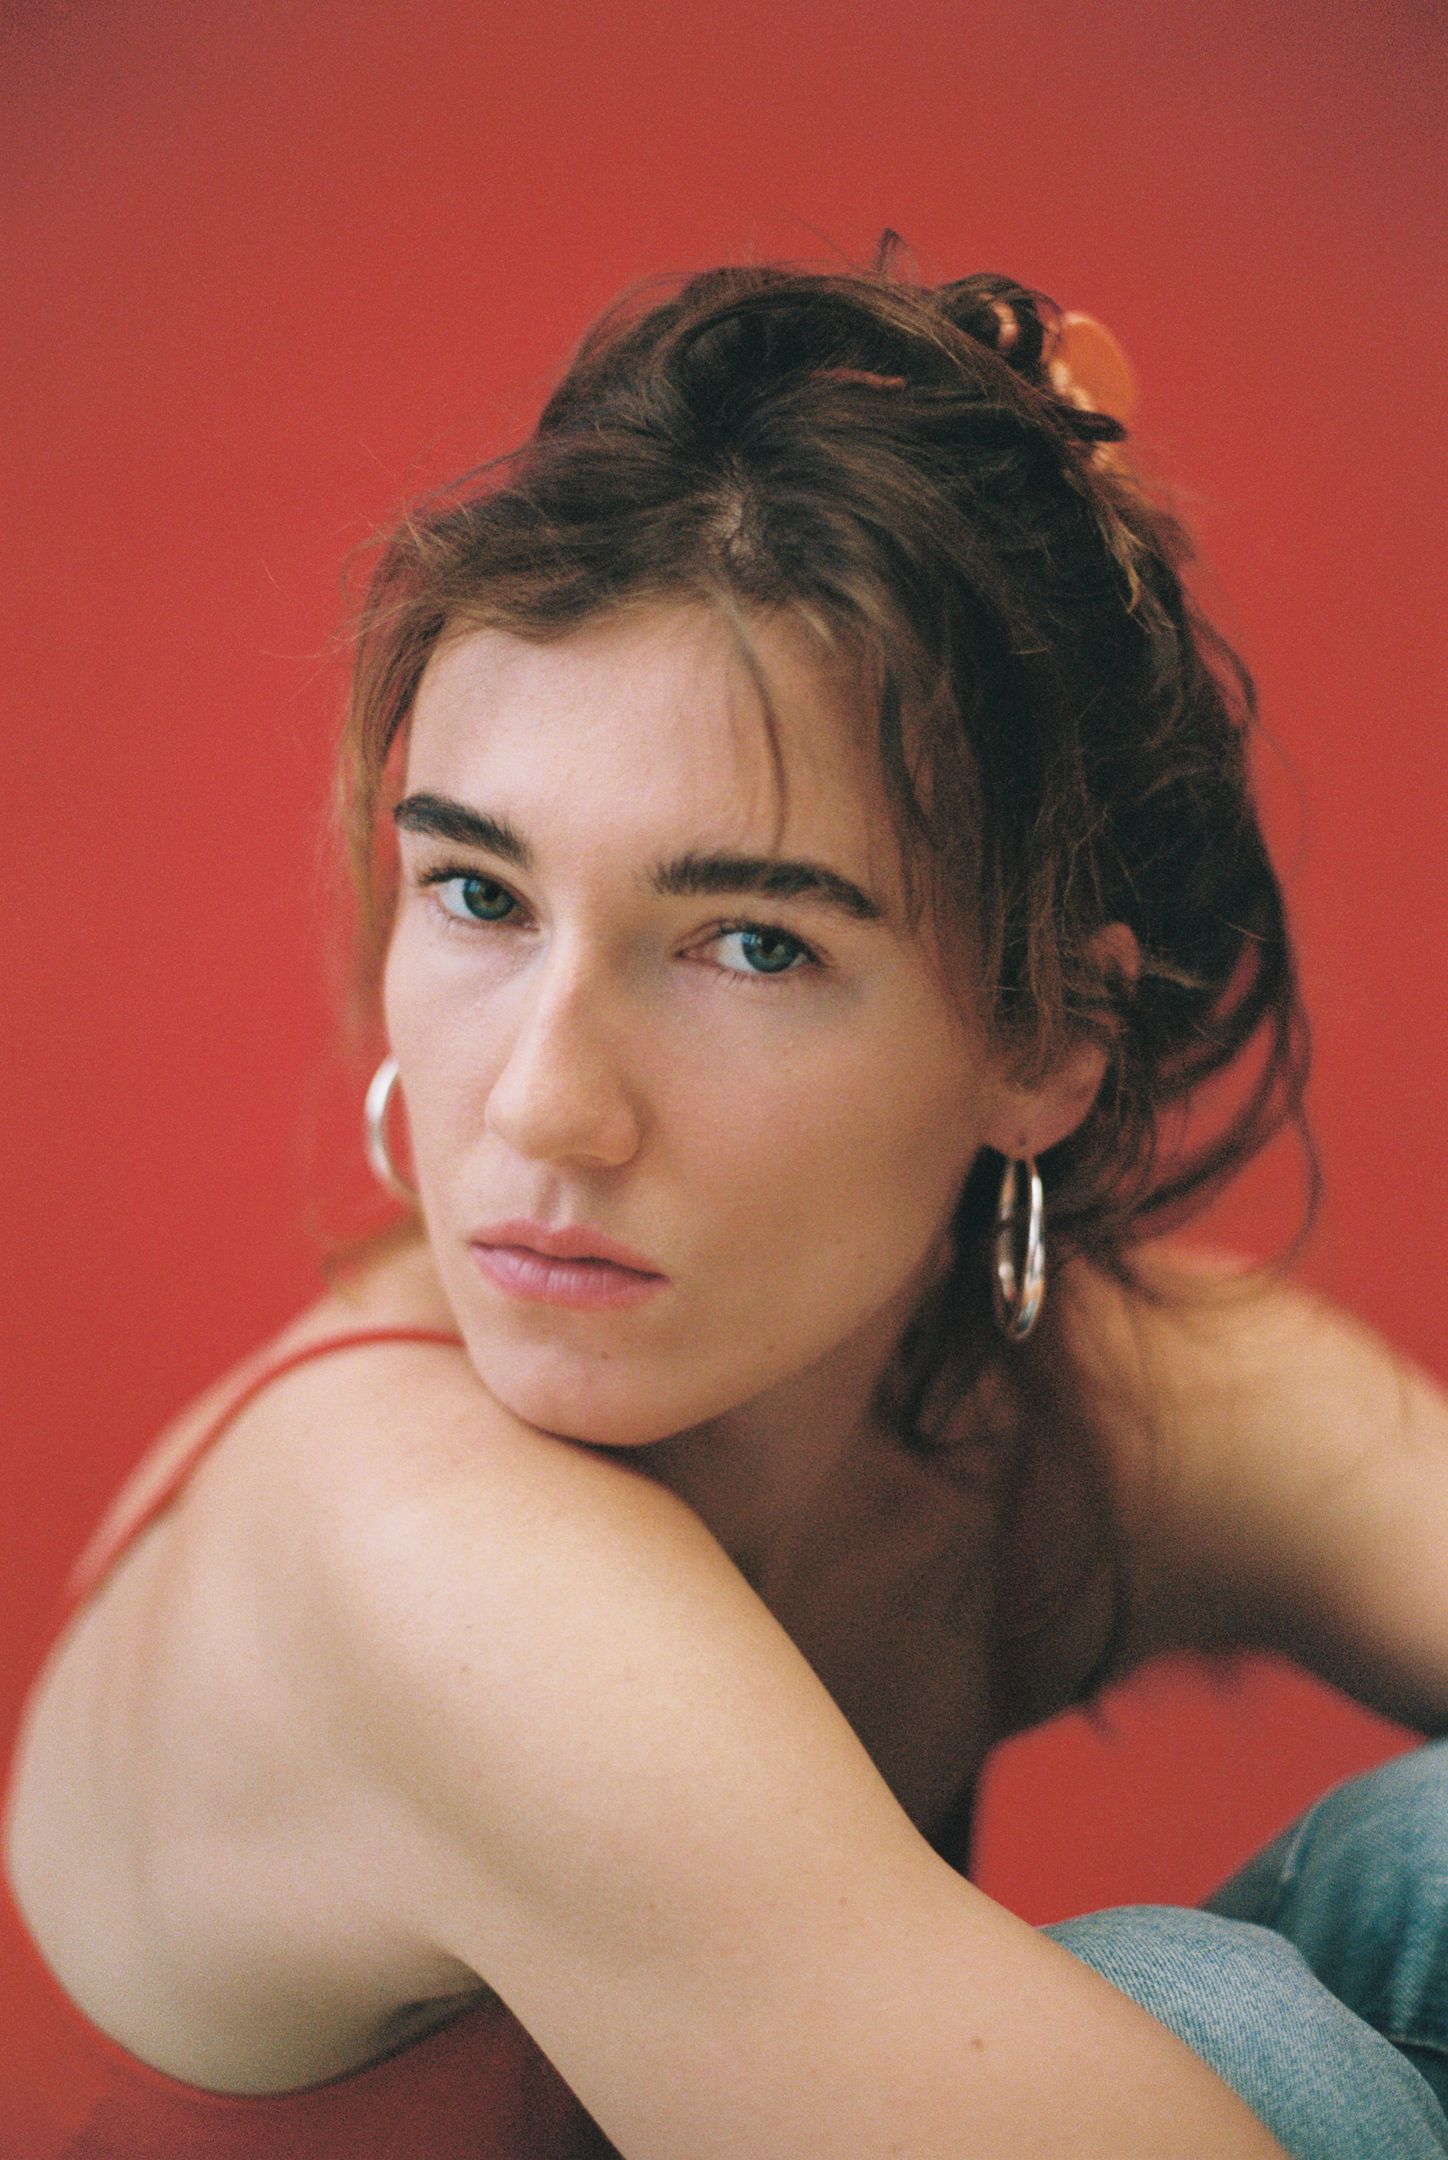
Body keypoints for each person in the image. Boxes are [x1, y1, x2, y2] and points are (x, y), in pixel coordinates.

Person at [3, 252, 1445, 2160]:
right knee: (1221, 2030)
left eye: (752, 942)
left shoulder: (1068, 1406)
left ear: (1046, 1037)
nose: (544, 1102)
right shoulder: (419, 1557)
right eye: (480, 896)